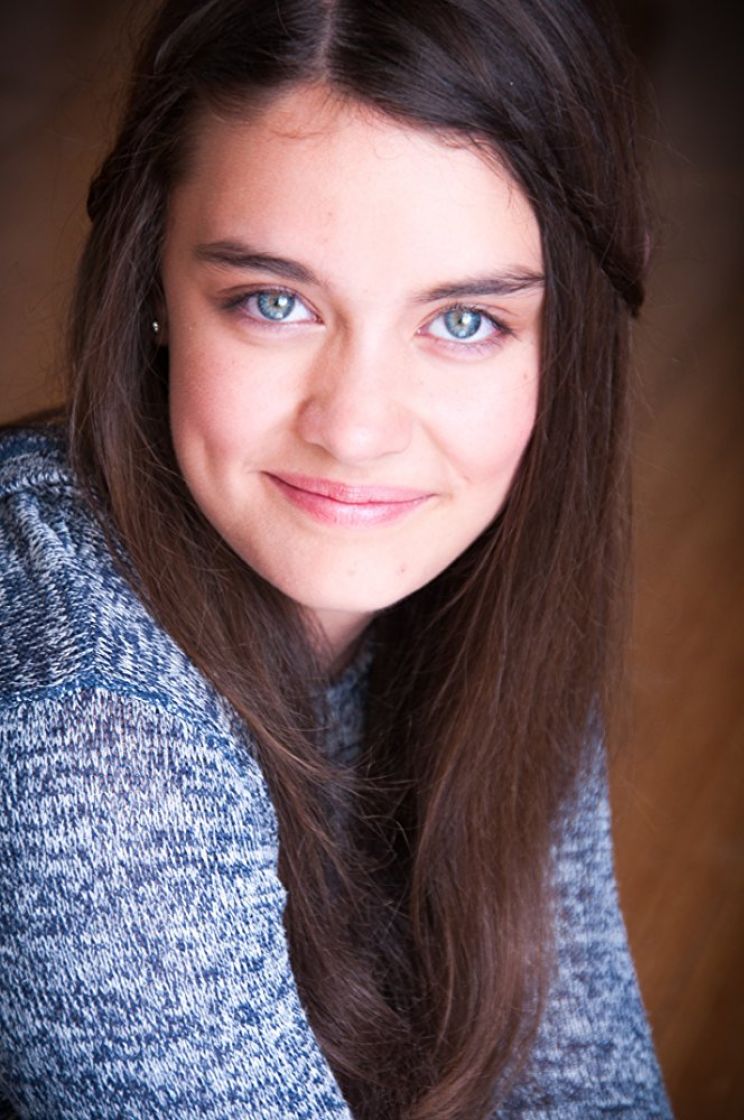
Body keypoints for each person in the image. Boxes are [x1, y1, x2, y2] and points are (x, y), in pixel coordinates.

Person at [0, 0, 673, 1116]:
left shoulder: (491, 586)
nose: (356, 430)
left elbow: (579, 1081)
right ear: (153, 283)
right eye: (276, 302)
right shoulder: (80, 717)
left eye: (465, 322)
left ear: (567, 342)